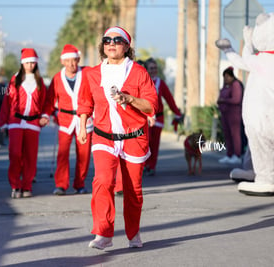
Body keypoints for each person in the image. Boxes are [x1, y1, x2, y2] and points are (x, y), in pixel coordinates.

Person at [77, 26, 158, 250]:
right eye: (107, 40)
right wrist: (82, 126)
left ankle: (133, 232)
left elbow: (151, 105)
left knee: (133, 190)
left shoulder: (139, 72)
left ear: (127, 46)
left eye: (117, 40)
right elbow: (85, 102)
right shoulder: (91, 74)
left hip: (134, 137)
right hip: (104, 137)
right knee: (103, 181)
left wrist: (129, 99)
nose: (111, 43)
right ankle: (103, 233)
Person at [41, 44, 93, 195]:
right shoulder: (58, 78)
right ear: (62, 61)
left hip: (85, 120)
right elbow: (50, 100)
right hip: (65, 119)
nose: (72, 64)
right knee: (62, 154)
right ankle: (61, 184)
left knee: (84, 155)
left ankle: (80, 184)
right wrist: (46, 115)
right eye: (68, 61)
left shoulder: (87, 73)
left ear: (78, 60)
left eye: (75, 60)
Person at [0, 48, 47, 198]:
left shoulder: (40, 82)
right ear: (22, 63)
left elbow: (45, 102)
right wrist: (3, 122)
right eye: (27, 62)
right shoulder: (14, 80)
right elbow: (6, 103)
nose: (30, 65)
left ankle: (27, 185)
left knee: (30, 157)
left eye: (33, 62)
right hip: (15, 122)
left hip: (33, 123)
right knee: (15, 154)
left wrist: (45, 115)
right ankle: (15, 185)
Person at [143, 57, 183, 176]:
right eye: (151, 68)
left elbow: (169, 99)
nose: (154, 70)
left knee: (154, 144)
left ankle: (151, 166)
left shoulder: (160, 83)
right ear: (146, 69)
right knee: (146, 143)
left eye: (155, 68)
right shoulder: (142, 81)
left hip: (158, 119)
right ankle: (145, 164)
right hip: (144, 118)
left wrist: (177, 113)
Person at [217, 66, 244, 164]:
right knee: (227, 135)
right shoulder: (225, 86)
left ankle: (237, 155)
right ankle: (229, 154)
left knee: (235, 135)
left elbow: (236, 99)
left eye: (228, 76)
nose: (226, 79)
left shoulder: (236, 85)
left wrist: (224, 100)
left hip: (234, 114)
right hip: (225, 114)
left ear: (232, 76)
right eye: (224, 77)